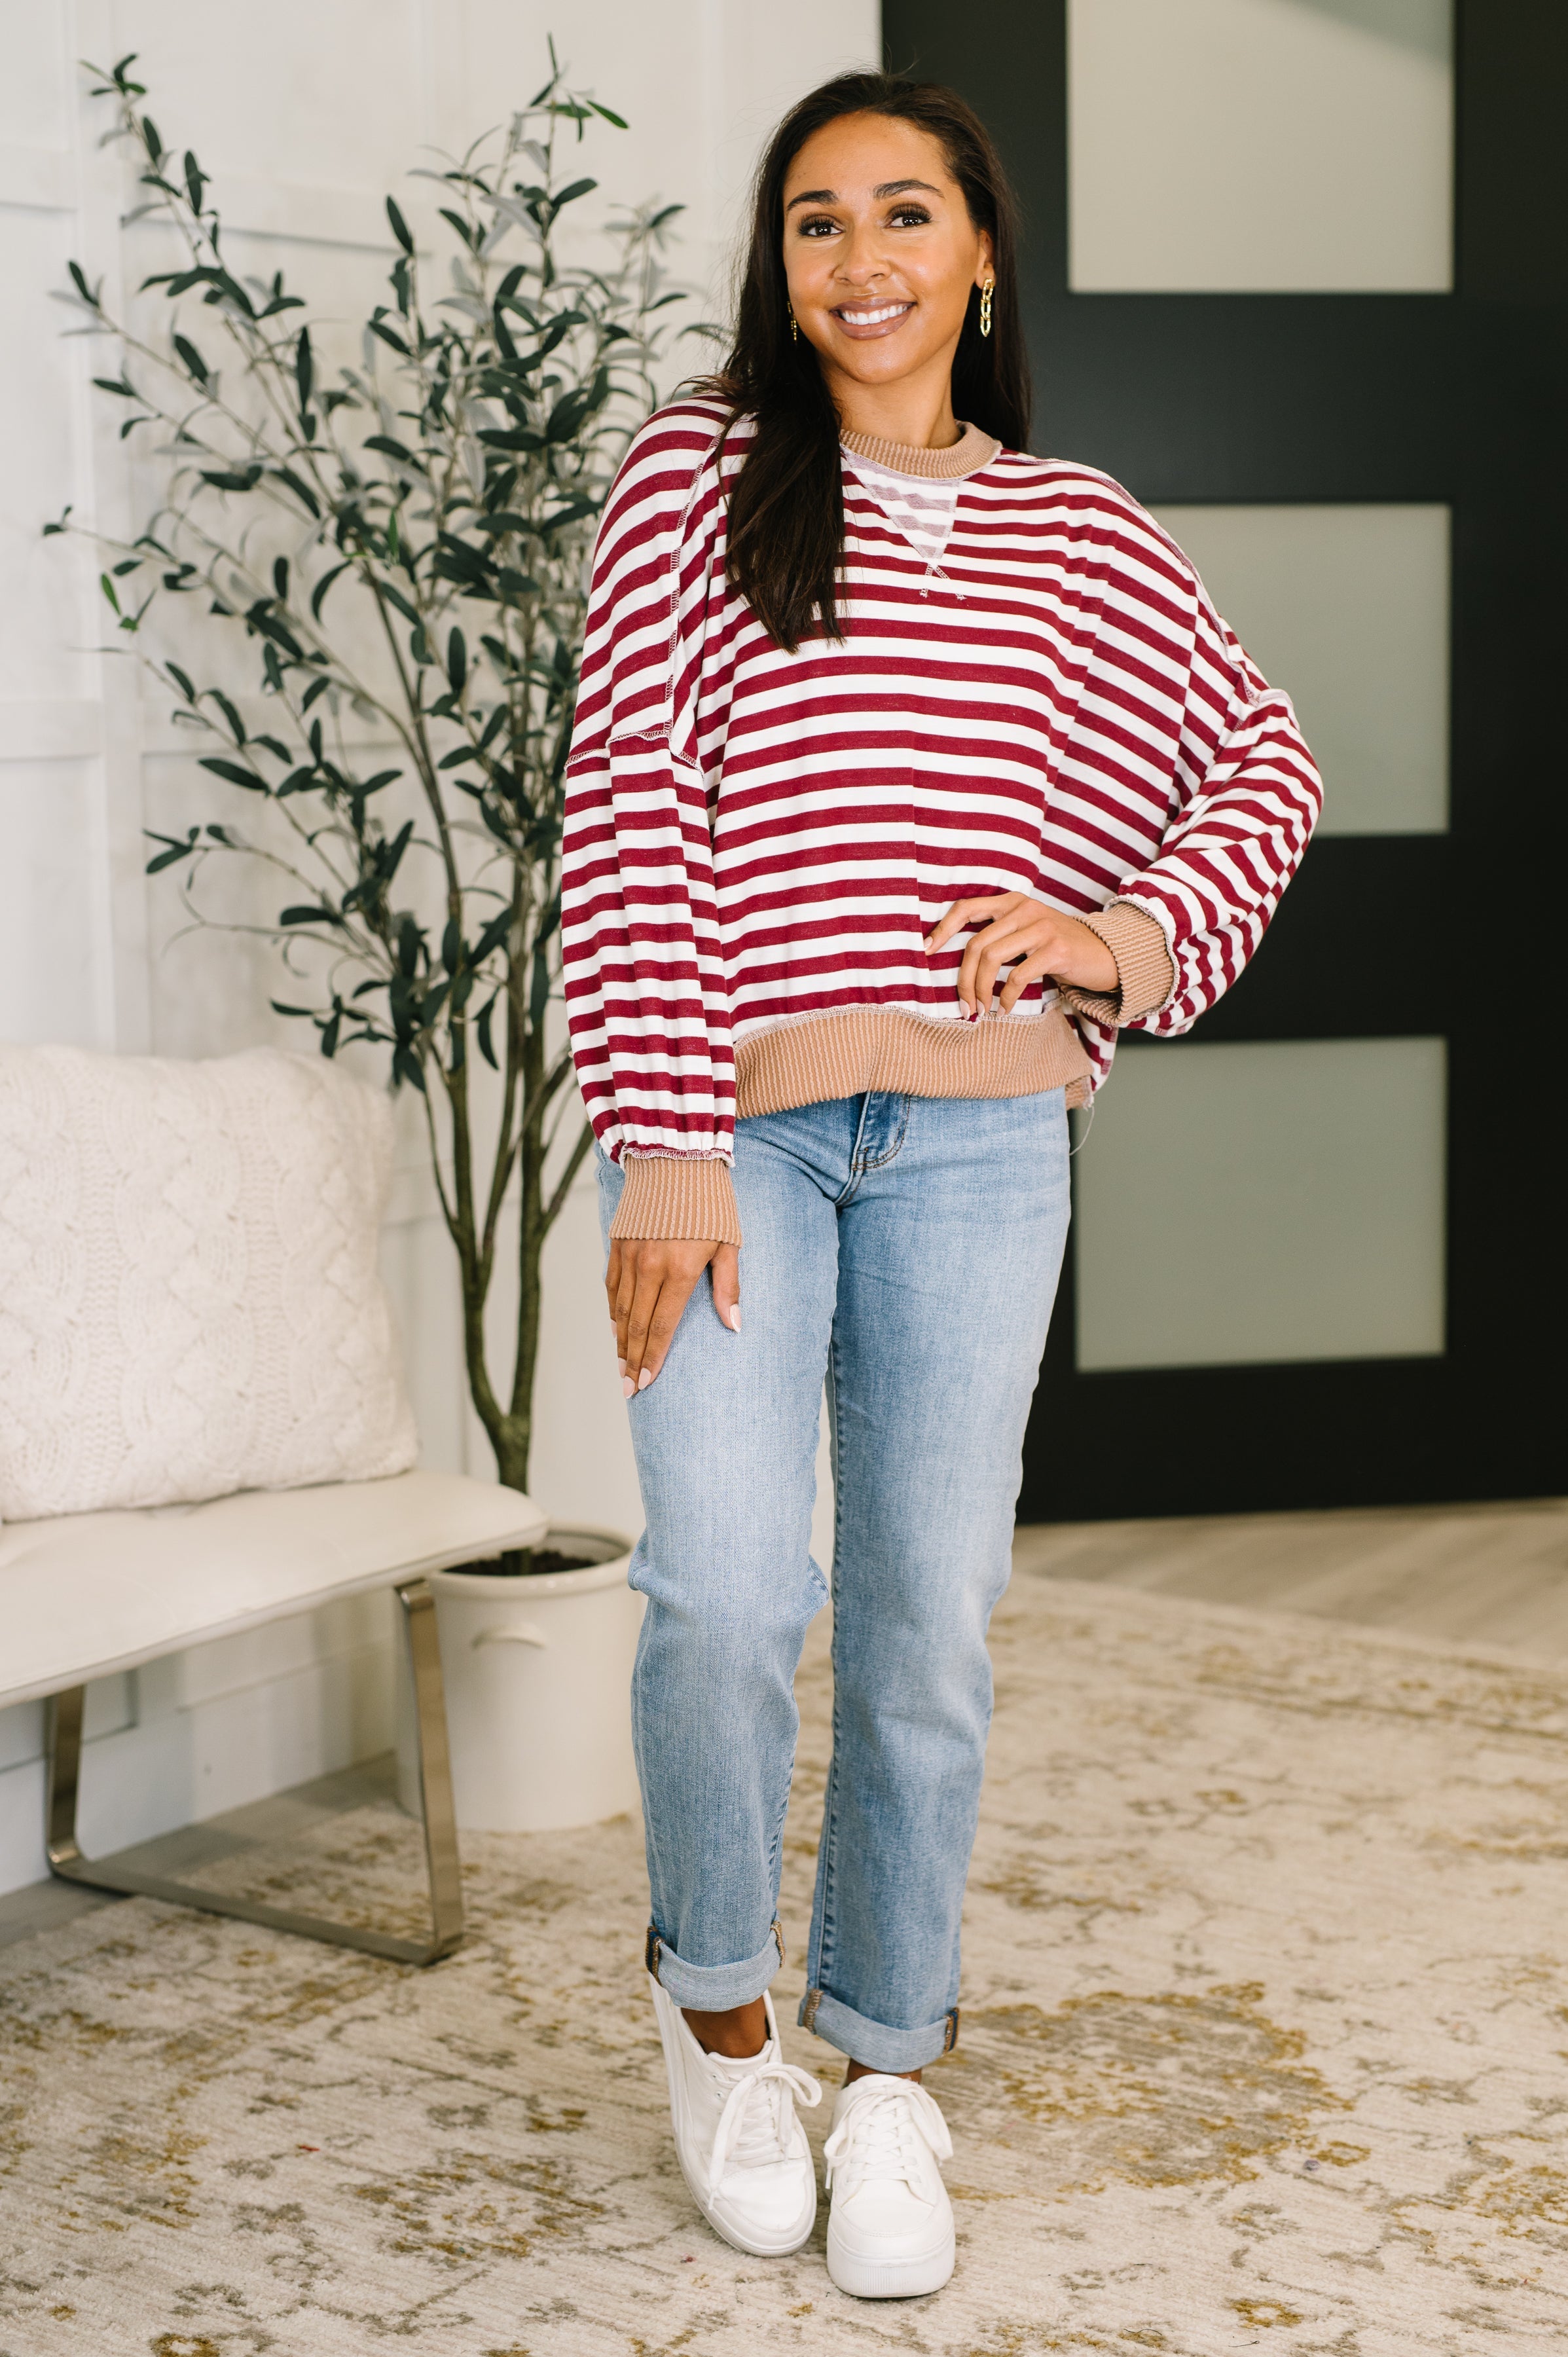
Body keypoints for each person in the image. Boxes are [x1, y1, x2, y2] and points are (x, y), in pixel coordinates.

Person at [560, 69, 1319, 2300]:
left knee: (923, 1623)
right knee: (722, 1593)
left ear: (980, 252)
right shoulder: (695, 474)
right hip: (730, 1133)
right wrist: (666, 1144)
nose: (861, 259)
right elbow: (626, 812)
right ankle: (721, 2023)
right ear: (778, 265)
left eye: (906, 214)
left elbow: (1260, 758)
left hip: (983, 1145)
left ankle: (887, 2063)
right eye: (817, 221)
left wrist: (1121, 940)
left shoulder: (1077, 526)